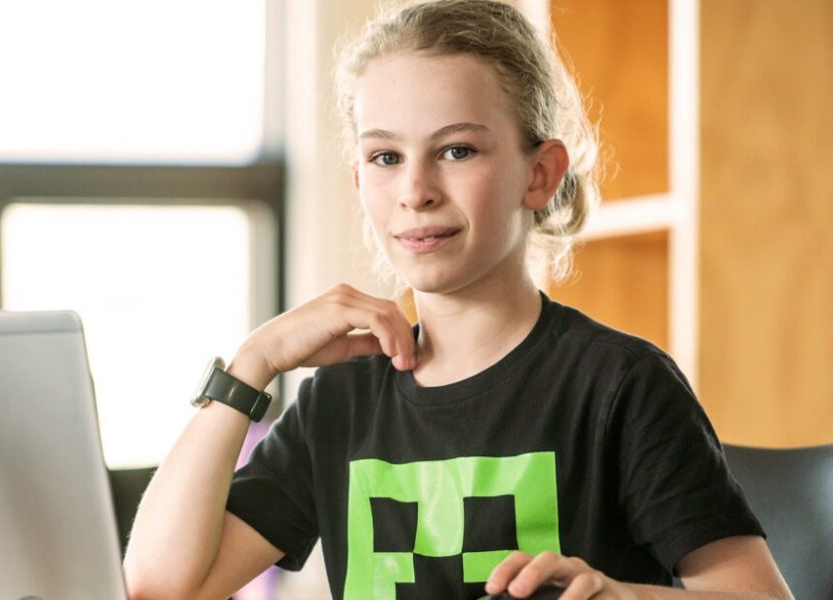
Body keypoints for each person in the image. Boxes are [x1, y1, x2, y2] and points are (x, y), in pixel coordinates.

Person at [123, 1, 792, 599]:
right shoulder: (340, 403)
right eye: (386, 157)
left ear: (540, 173)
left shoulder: (619, 385)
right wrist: (251, 362)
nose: (416, 189)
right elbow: (159, 587)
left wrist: (621, 597)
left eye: (457, 150)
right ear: (360, 179)